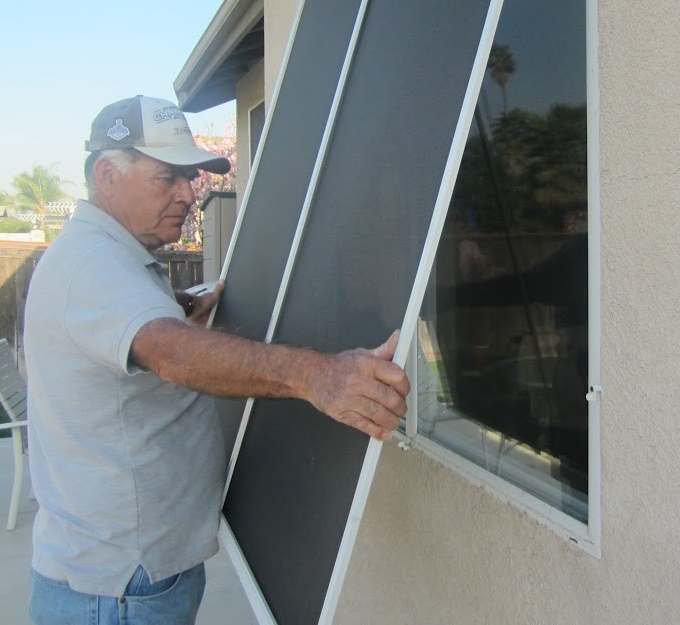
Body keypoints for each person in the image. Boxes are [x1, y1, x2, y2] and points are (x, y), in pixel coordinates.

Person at [24, 95, 410, 625]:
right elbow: (169, 354)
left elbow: (129, 334)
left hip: (128, 573)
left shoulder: (108, 259)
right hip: (117, 591)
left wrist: (176, 307)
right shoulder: (92, 264)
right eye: (168, 178)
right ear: (107, 175)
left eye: (192, 177)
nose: (189, 193)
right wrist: (319, 375)